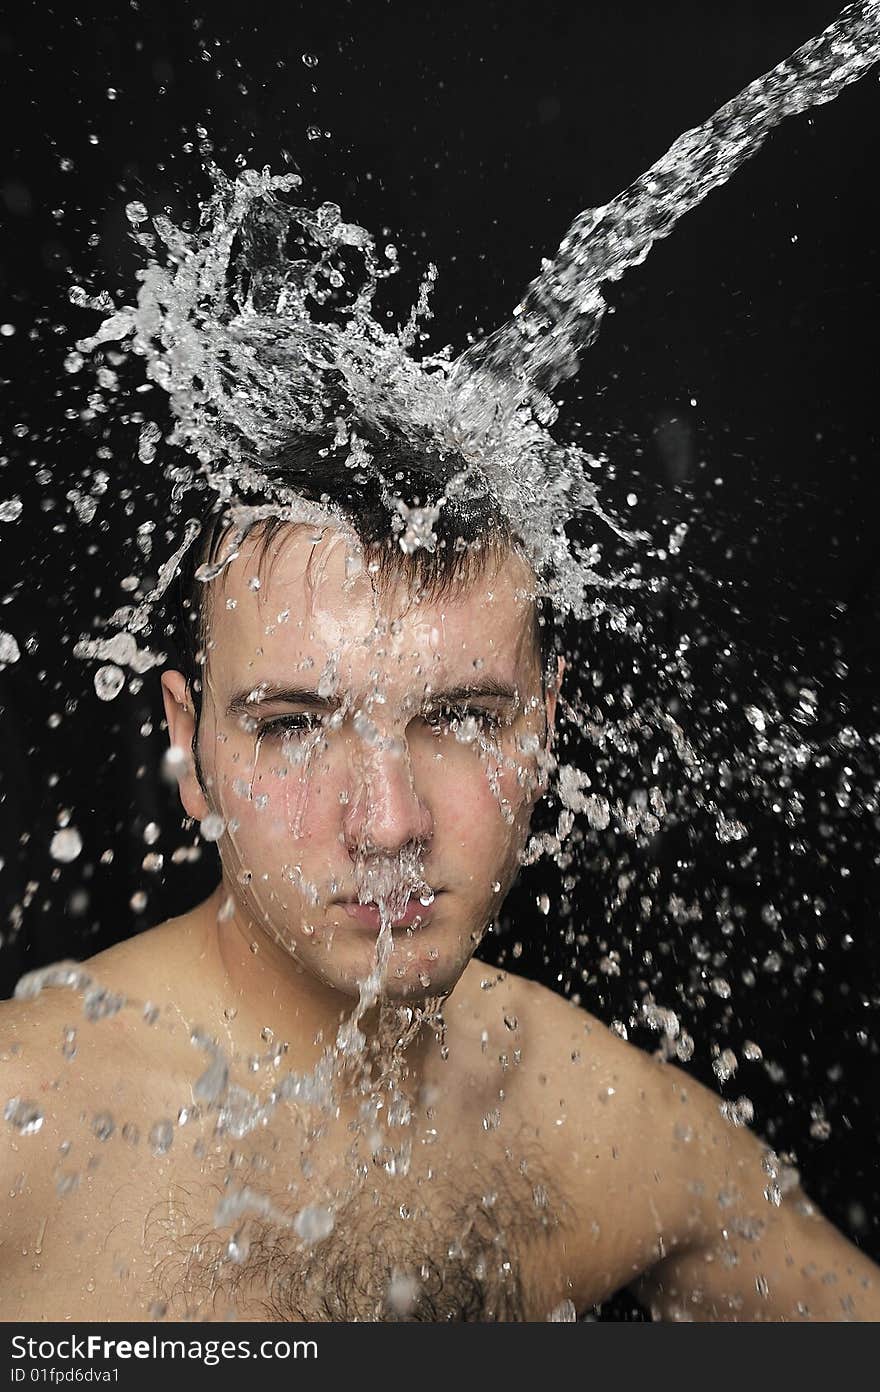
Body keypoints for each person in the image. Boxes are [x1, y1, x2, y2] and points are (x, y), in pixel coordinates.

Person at [1, 424, 877, 1323]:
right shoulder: (22, 1124)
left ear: (543, 733)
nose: (389, 825)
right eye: (293, 725)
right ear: (189, 747)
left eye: (462, 719)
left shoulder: (604, 1127)